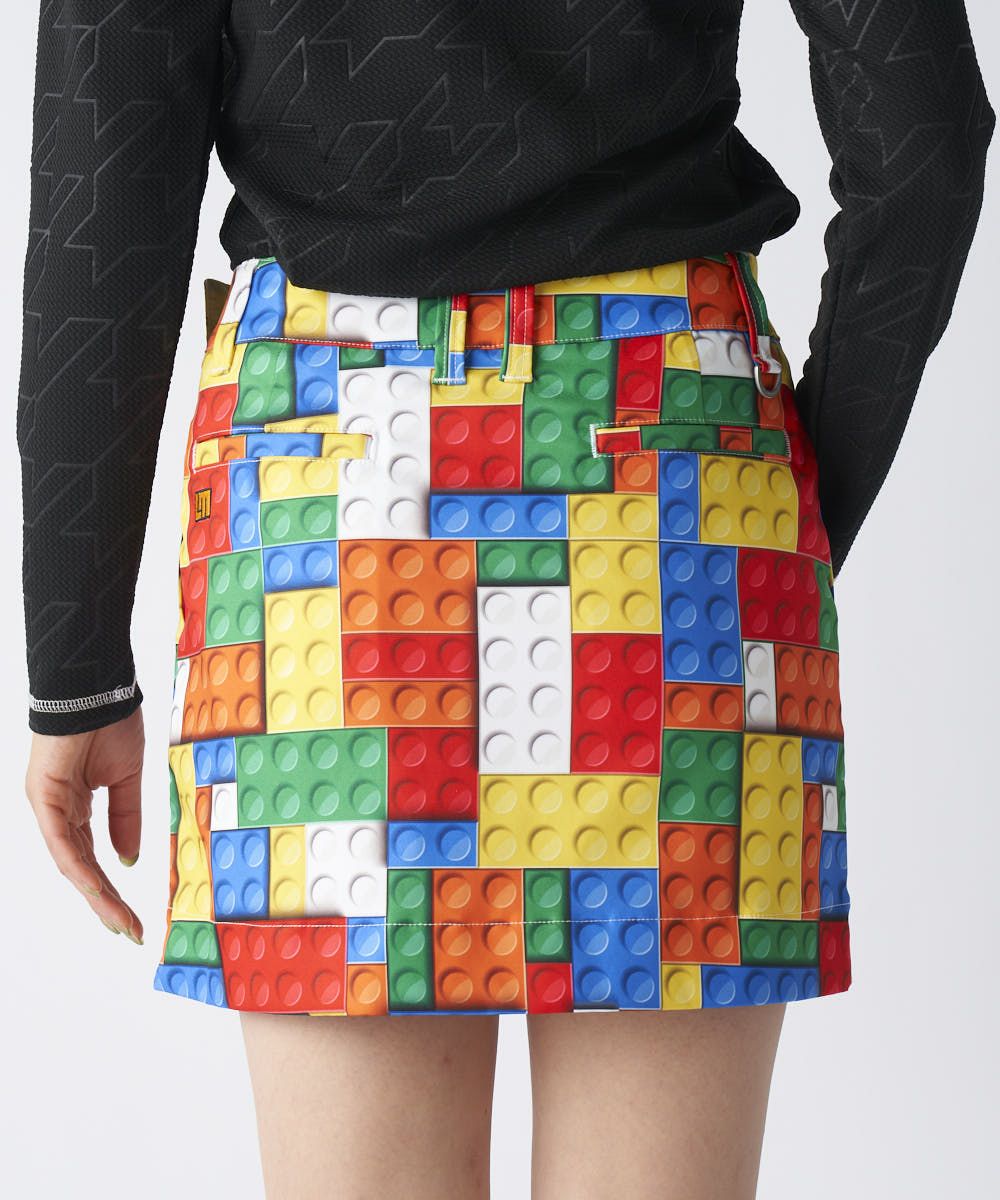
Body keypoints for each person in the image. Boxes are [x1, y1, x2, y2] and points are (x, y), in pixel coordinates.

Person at [17, 3, 993, 1198]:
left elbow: (106, 192)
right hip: (672, 482)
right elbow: (921, 136)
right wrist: (774, 516)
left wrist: (76, 667)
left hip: (328, 504)